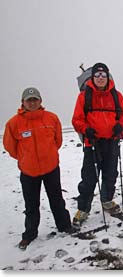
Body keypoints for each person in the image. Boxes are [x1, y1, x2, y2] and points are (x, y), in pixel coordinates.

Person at [3, 87, 73, 250]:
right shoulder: (13, 123)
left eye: (35, 99)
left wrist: (49, 155)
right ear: (23, 103)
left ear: (40, 101)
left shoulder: (51, 118)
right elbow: (10, 146)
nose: (32, 103)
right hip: (29, 172)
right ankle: (30, 234)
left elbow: (58, 140)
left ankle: (65, 226)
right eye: (29, 100)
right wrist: (25, 159)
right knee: (31, 205)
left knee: (57, 200)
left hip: (51, 168)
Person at [72, 63, 123, 225]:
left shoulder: (116, 95)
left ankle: (107, 200)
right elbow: (76, 120)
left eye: (103, 75)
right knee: (89, 178)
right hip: (93, 143)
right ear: (92, 78)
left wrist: (120, 125)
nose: (100, 78)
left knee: (111, 174)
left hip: (112, 141)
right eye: (97, 76)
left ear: (108, 77)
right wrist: (86, 129)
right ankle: (83, 208)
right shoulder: (84, 96)